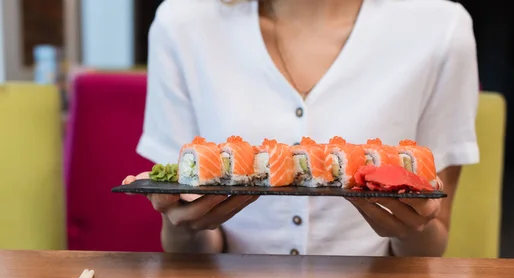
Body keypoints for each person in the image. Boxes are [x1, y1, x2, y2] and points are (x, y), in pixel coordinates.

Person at [123, 0, 480, 257]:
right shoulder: (181, 23)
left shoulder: (441, 29)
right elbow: (187, 248)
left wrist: (413, 228)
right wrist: (182, 225)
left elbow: (432, 242)